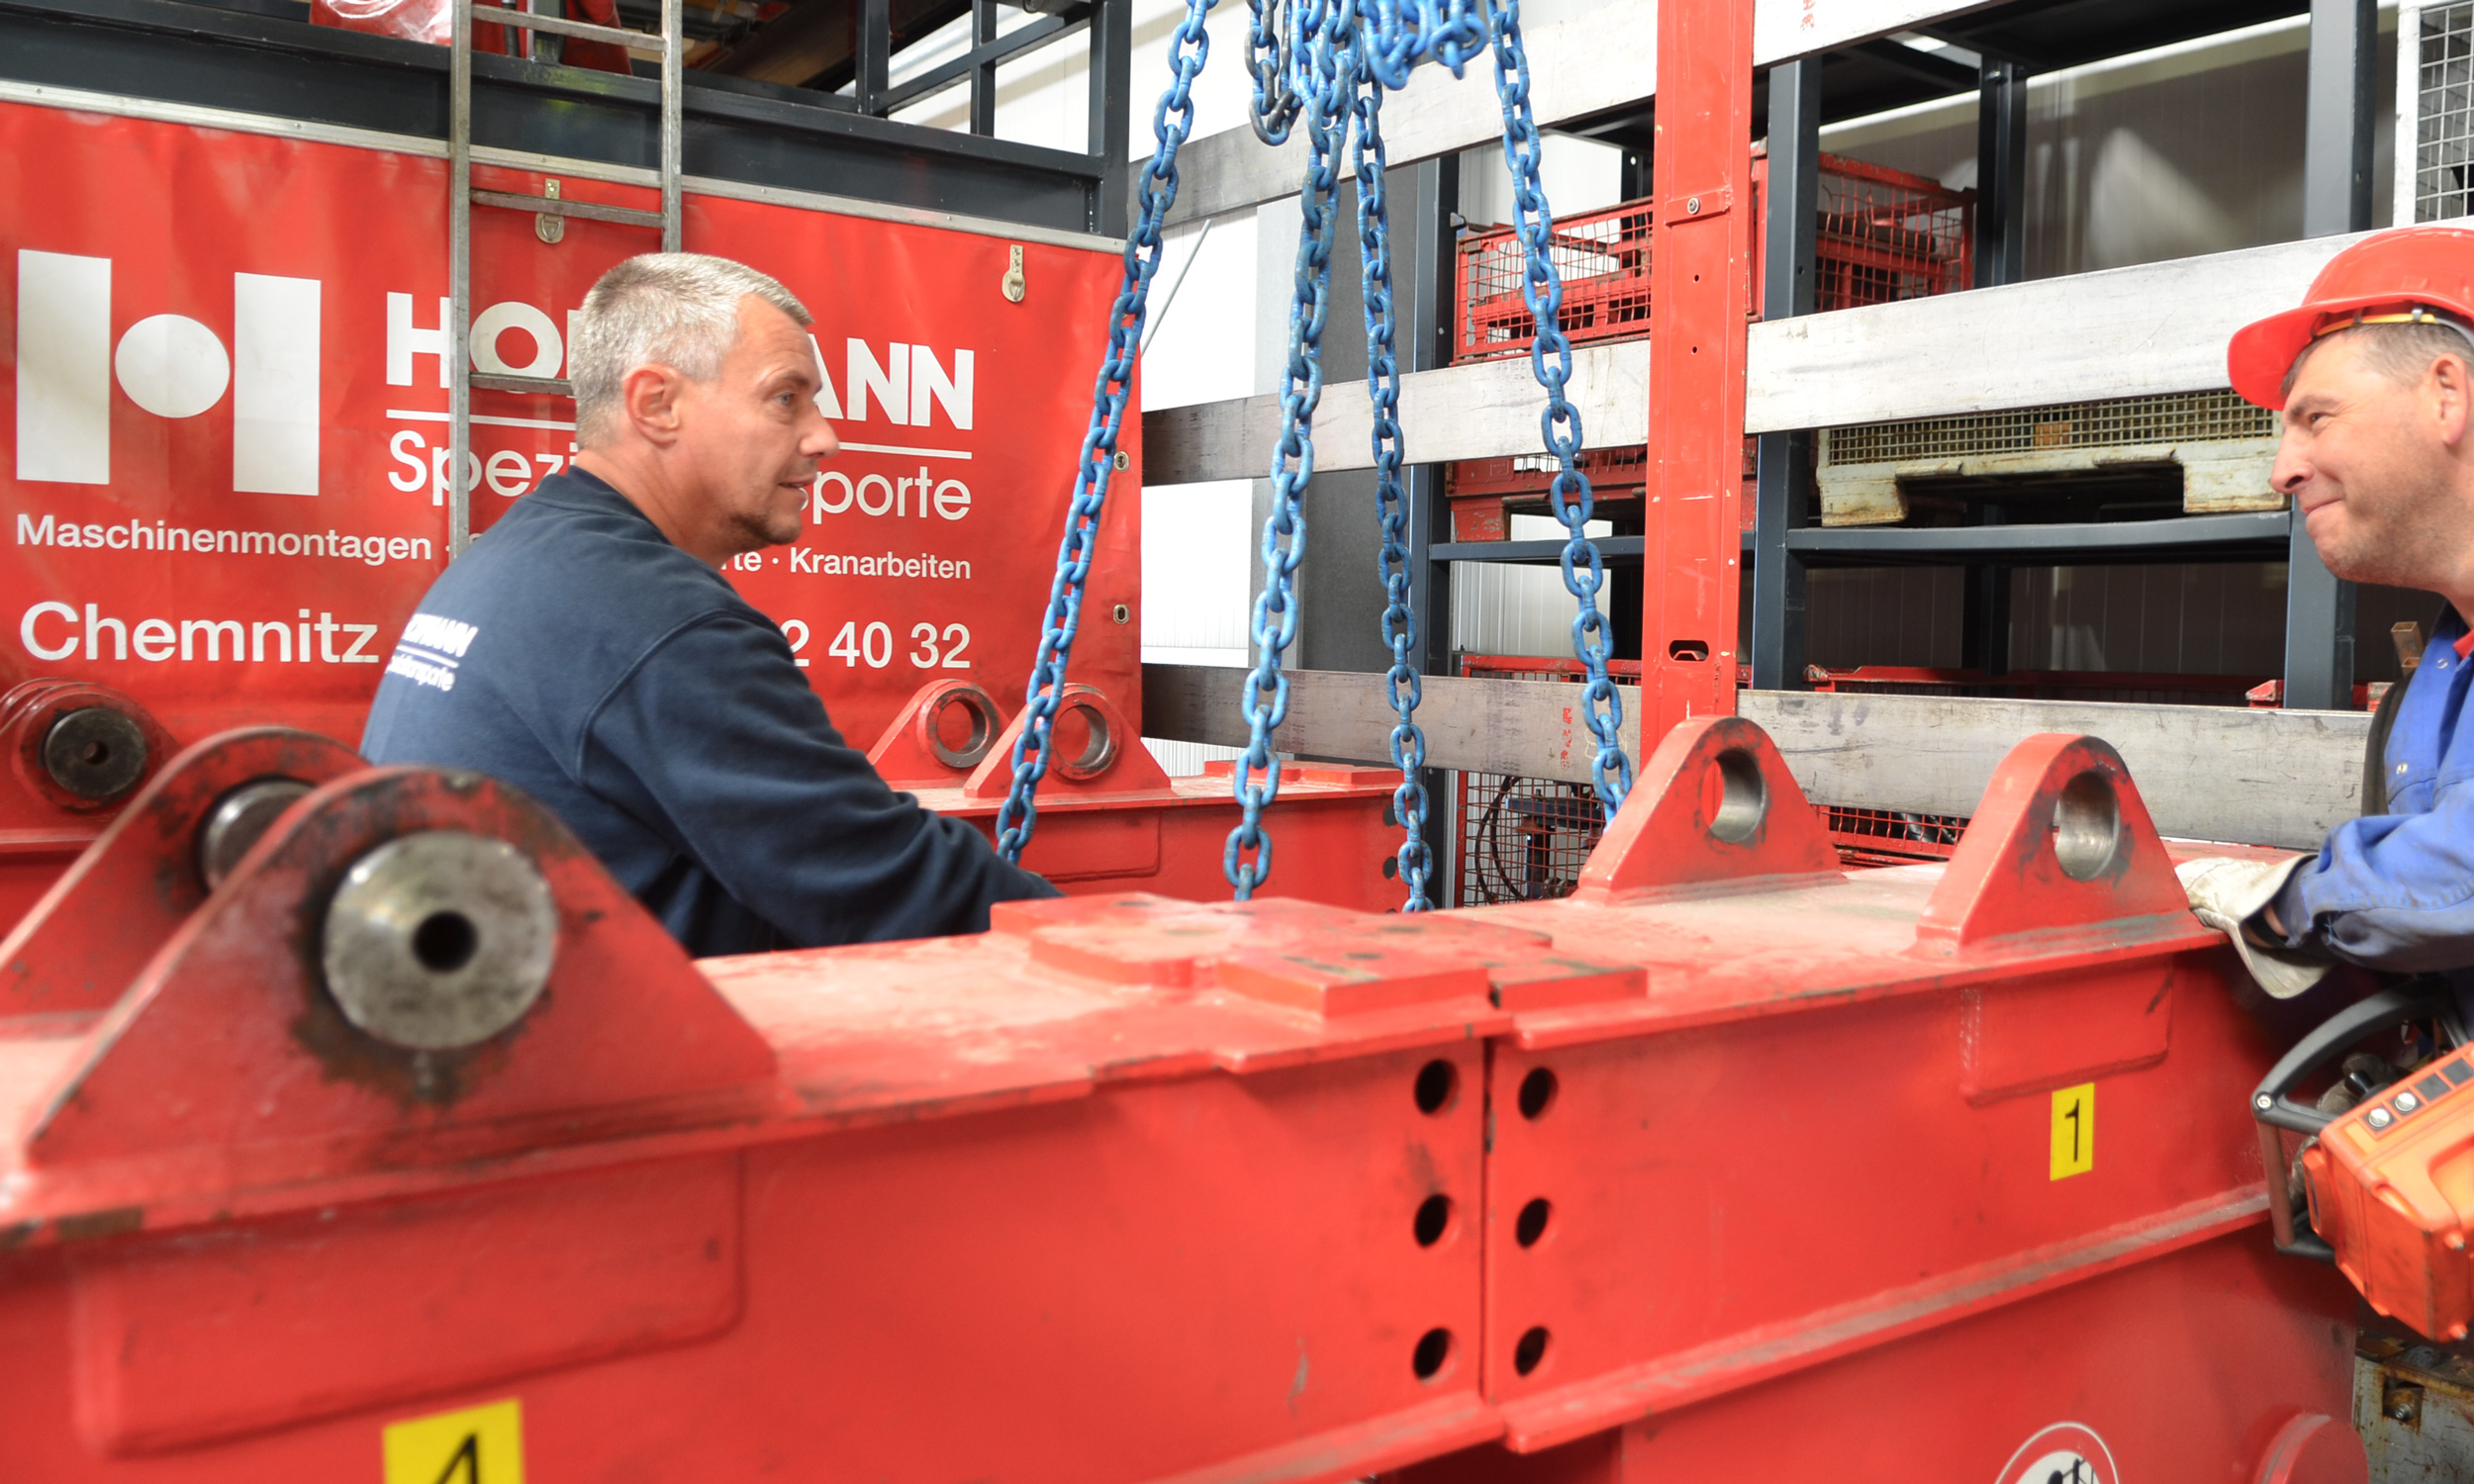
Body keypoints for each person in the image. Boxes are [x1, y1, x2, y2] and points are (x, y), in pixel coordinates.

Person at [362, 252, 1057, 956]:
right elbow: (890, 886)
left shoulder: (522, 555)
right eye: (785, 398)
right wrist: (1100, 939)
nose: (824, 437)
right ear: (656, 405)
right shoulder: (654, 618)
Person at [2179, 227, 2474, 1001]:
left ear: (2446, 394)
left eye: (2317, 418)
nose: (2283, 470)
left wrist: (2285, 906)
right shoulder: (2448, 664)